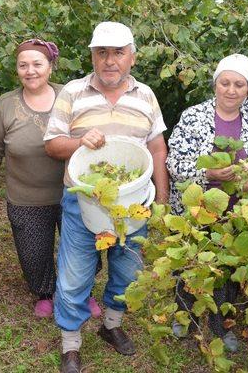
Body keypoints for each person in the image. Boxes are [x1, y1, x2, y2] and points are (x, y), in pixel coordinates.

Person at [43, 21, 169, 373]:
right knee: (73, 275)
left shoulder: (145, 95)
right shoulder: (72, 92)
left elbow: (157, 147)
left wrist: (161, 198)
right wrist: (79, 141)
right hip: (83, 202)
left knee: (128, 272)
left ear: (132, 57)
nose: (109, 61)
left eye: (118, 53)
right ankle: (70, 344)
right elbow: (53, 146)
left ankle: (111, 325)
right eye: (102, 53)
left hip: (133, 203)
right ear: (92, 56)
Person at [0, 39, 101, 319]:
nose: (30, 70)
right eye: (23, 65)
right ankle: (46, 292)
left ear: (51, 66)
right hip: (26, 197)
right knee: (34, 254)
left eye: (37, 63)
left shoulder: (71, 96)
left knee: (83, 246)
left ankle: (83, 292)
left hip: (74, 192)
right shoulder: (6, 105)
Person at [165, 53, 248, 351]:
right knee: (188, 262)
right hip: (196, 208)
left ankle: (221, 325)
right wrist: (206, 171)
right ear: (215, 84)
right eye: (225, 83)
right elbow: (174, 162)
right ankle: (184, 316)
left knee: (227, 269)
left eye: (239, 84)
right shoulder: (194, 116)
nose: (231, 90)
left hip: (238, 211)